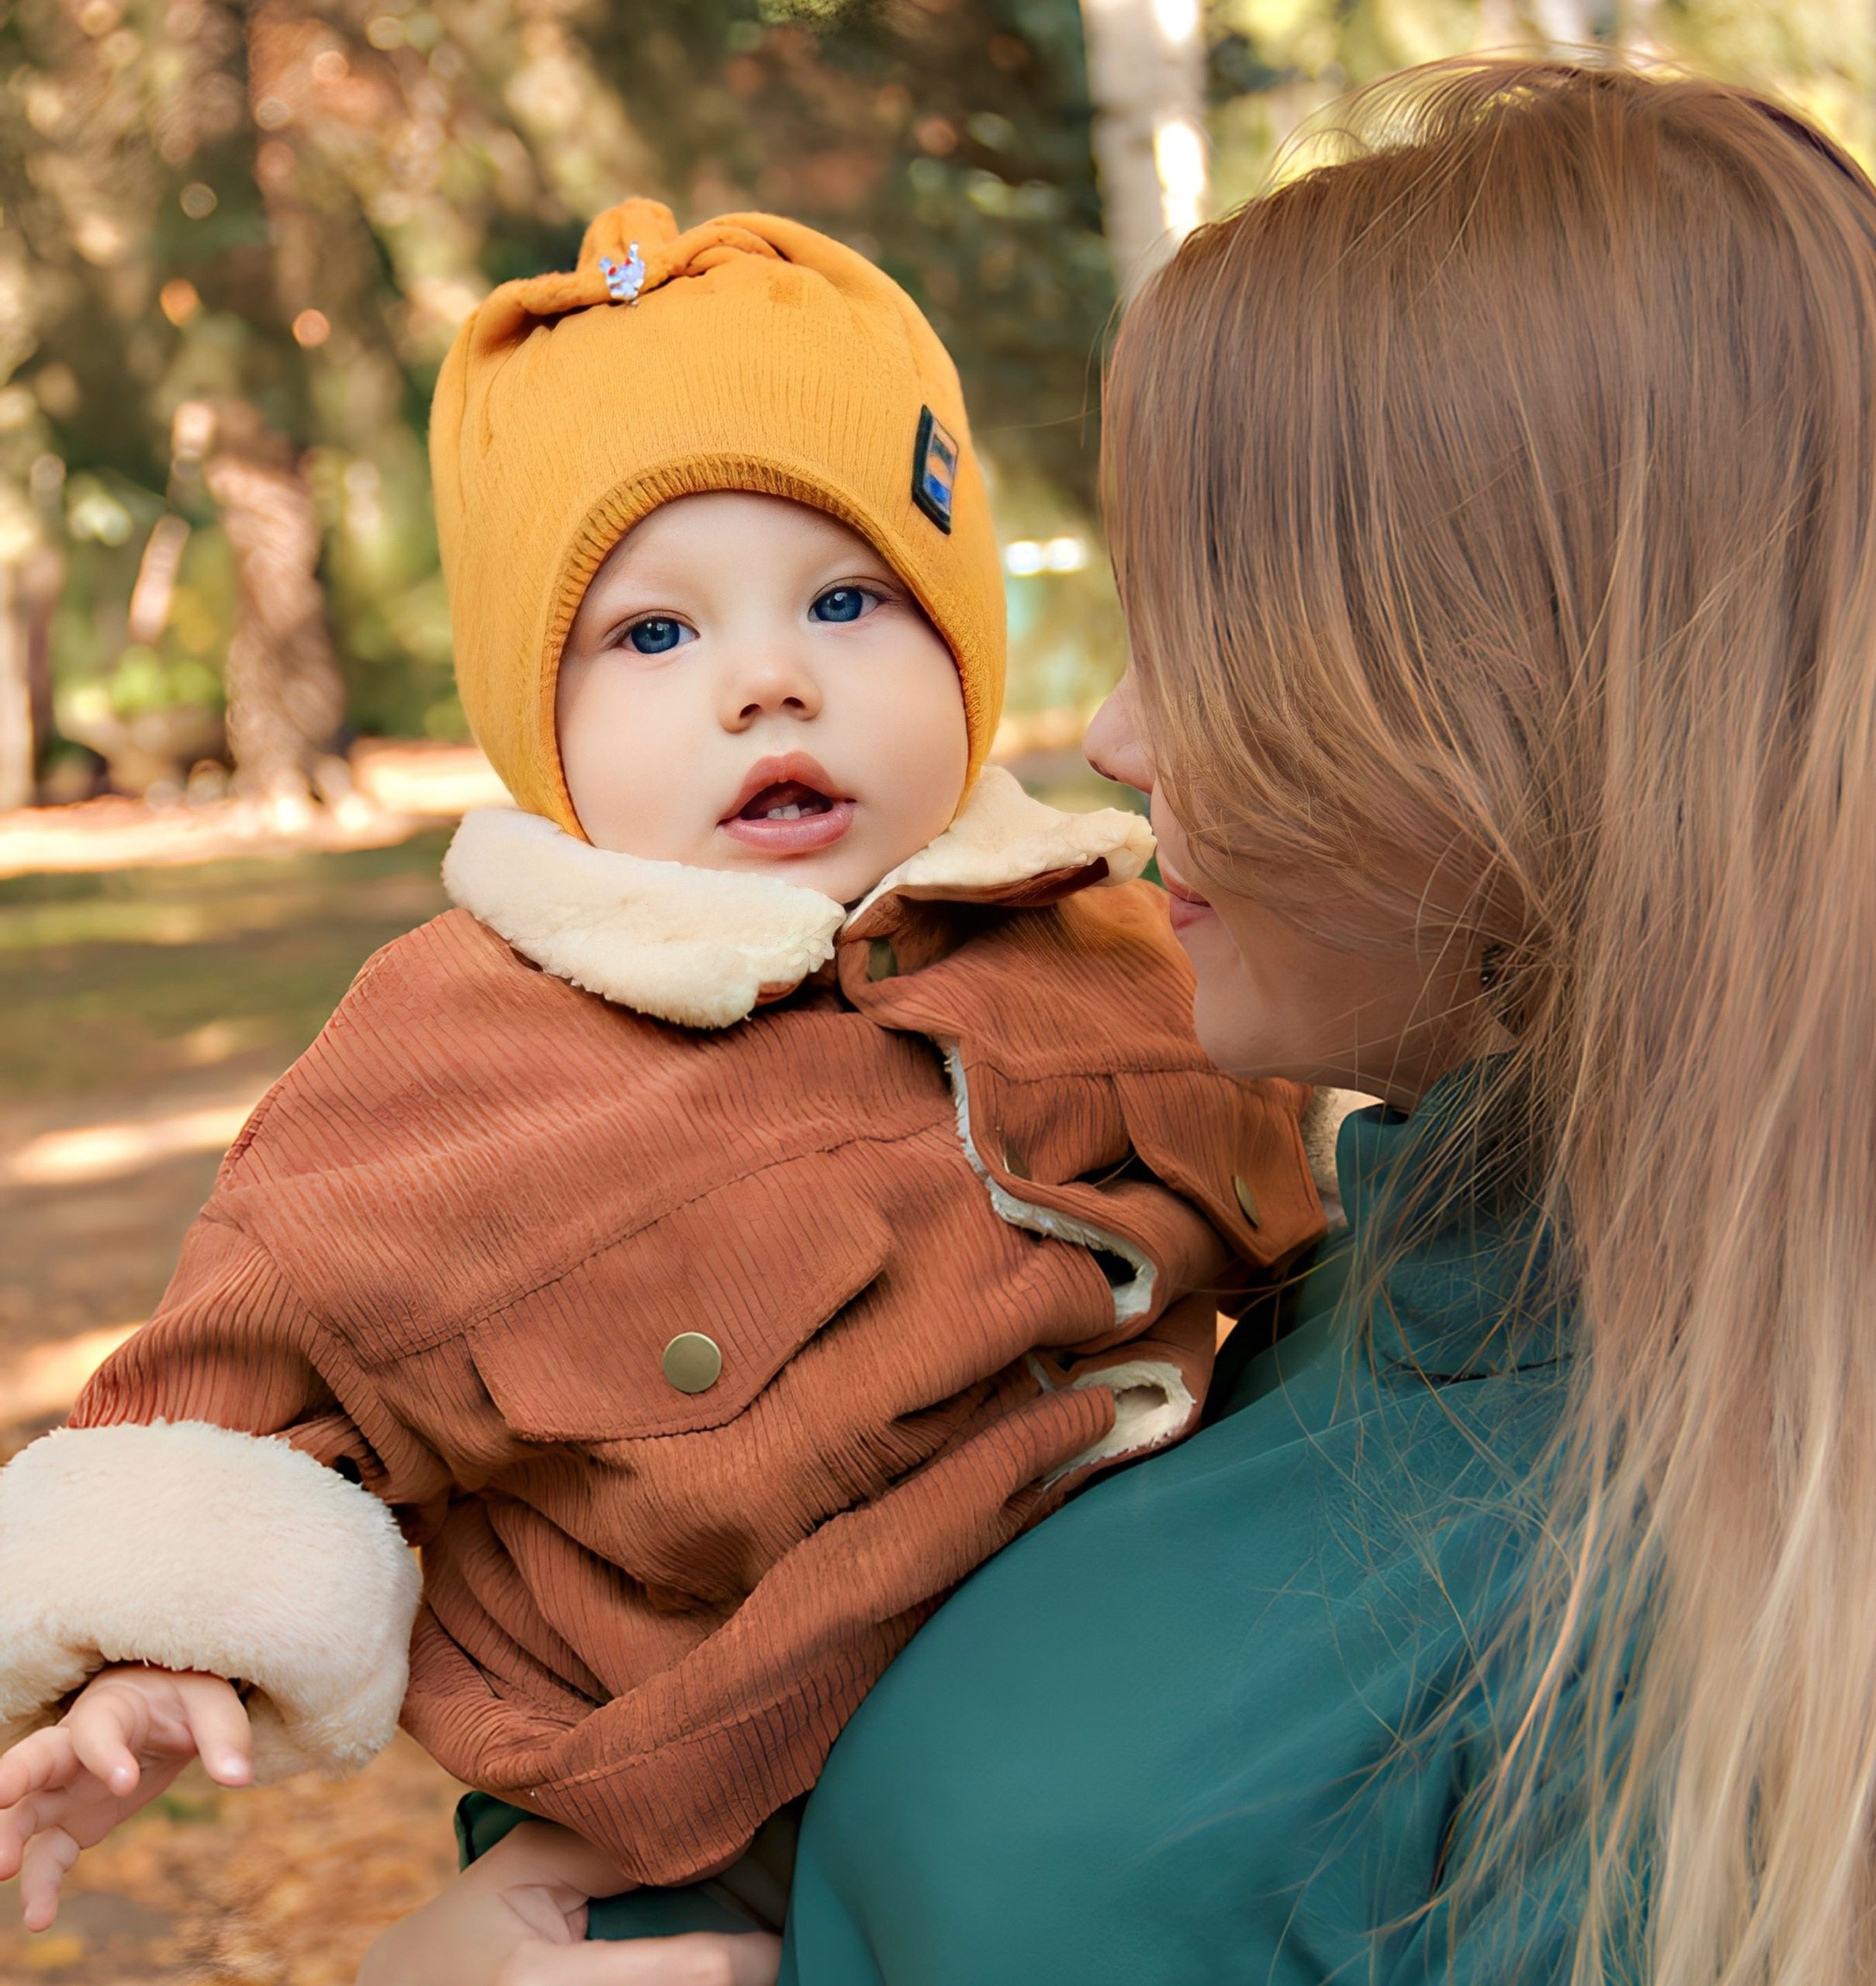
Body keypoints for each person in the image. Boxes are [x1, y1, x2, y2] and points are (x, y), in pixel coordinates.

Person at [363, 56, 1876, 1986]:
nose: (1115, 738)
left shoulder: (1697, 1622)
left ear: (1521, 711)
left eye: (1223, 638)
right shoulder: (1313, 1267)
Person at [0, 202, 1326, 1936]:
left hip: (1132, 1724)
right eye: (652, 635)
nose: (767, 681)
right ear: (533, 718)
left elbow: (1304, 1241)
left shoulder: (1108, 937)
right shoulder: (458, 1051)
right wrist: (149, 1660)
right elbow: (252, 1379)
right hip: (692, 1824)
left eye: (846, 598)